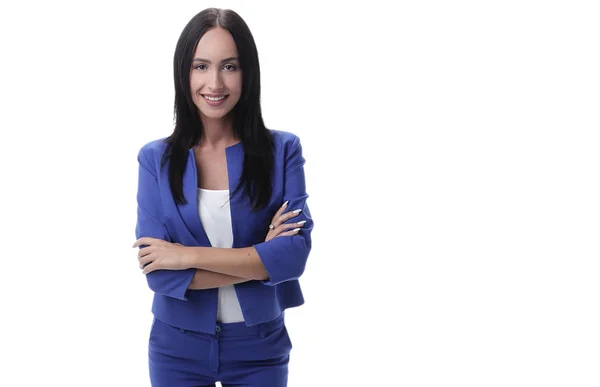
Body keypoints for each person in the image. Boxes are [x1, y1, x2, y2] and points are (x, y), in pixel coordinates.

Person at [131, 7, 314, 387]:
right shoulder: (155, 159)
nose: (214, 83)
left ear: (248, 72)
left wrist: (186, 256)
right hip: (175, 348)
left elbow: (292, 257)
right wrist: (260, 260)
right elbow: (159, 273)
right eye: (201, 66)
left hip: (260, 347)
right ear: (184, 72)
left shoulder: (283, 150)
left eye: (229, 66)